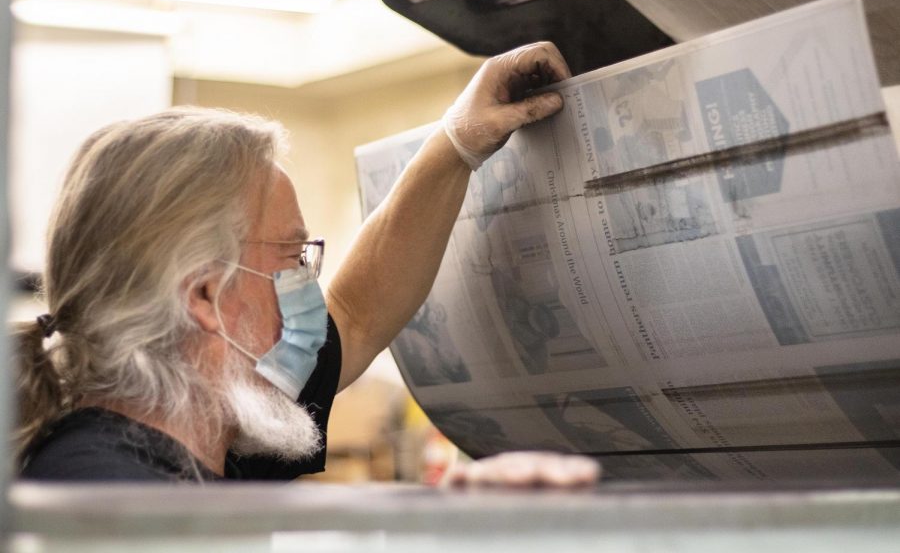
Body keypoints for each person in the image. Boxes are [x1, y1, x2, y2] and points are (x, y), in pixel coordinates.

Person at [12, 42, 598, 485]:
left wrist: (458, 143)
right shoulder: (107, 495)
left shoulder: (215, 435)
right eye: (293, 257)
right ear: (205, 297)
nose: (307, 288)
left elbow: (359, 311)